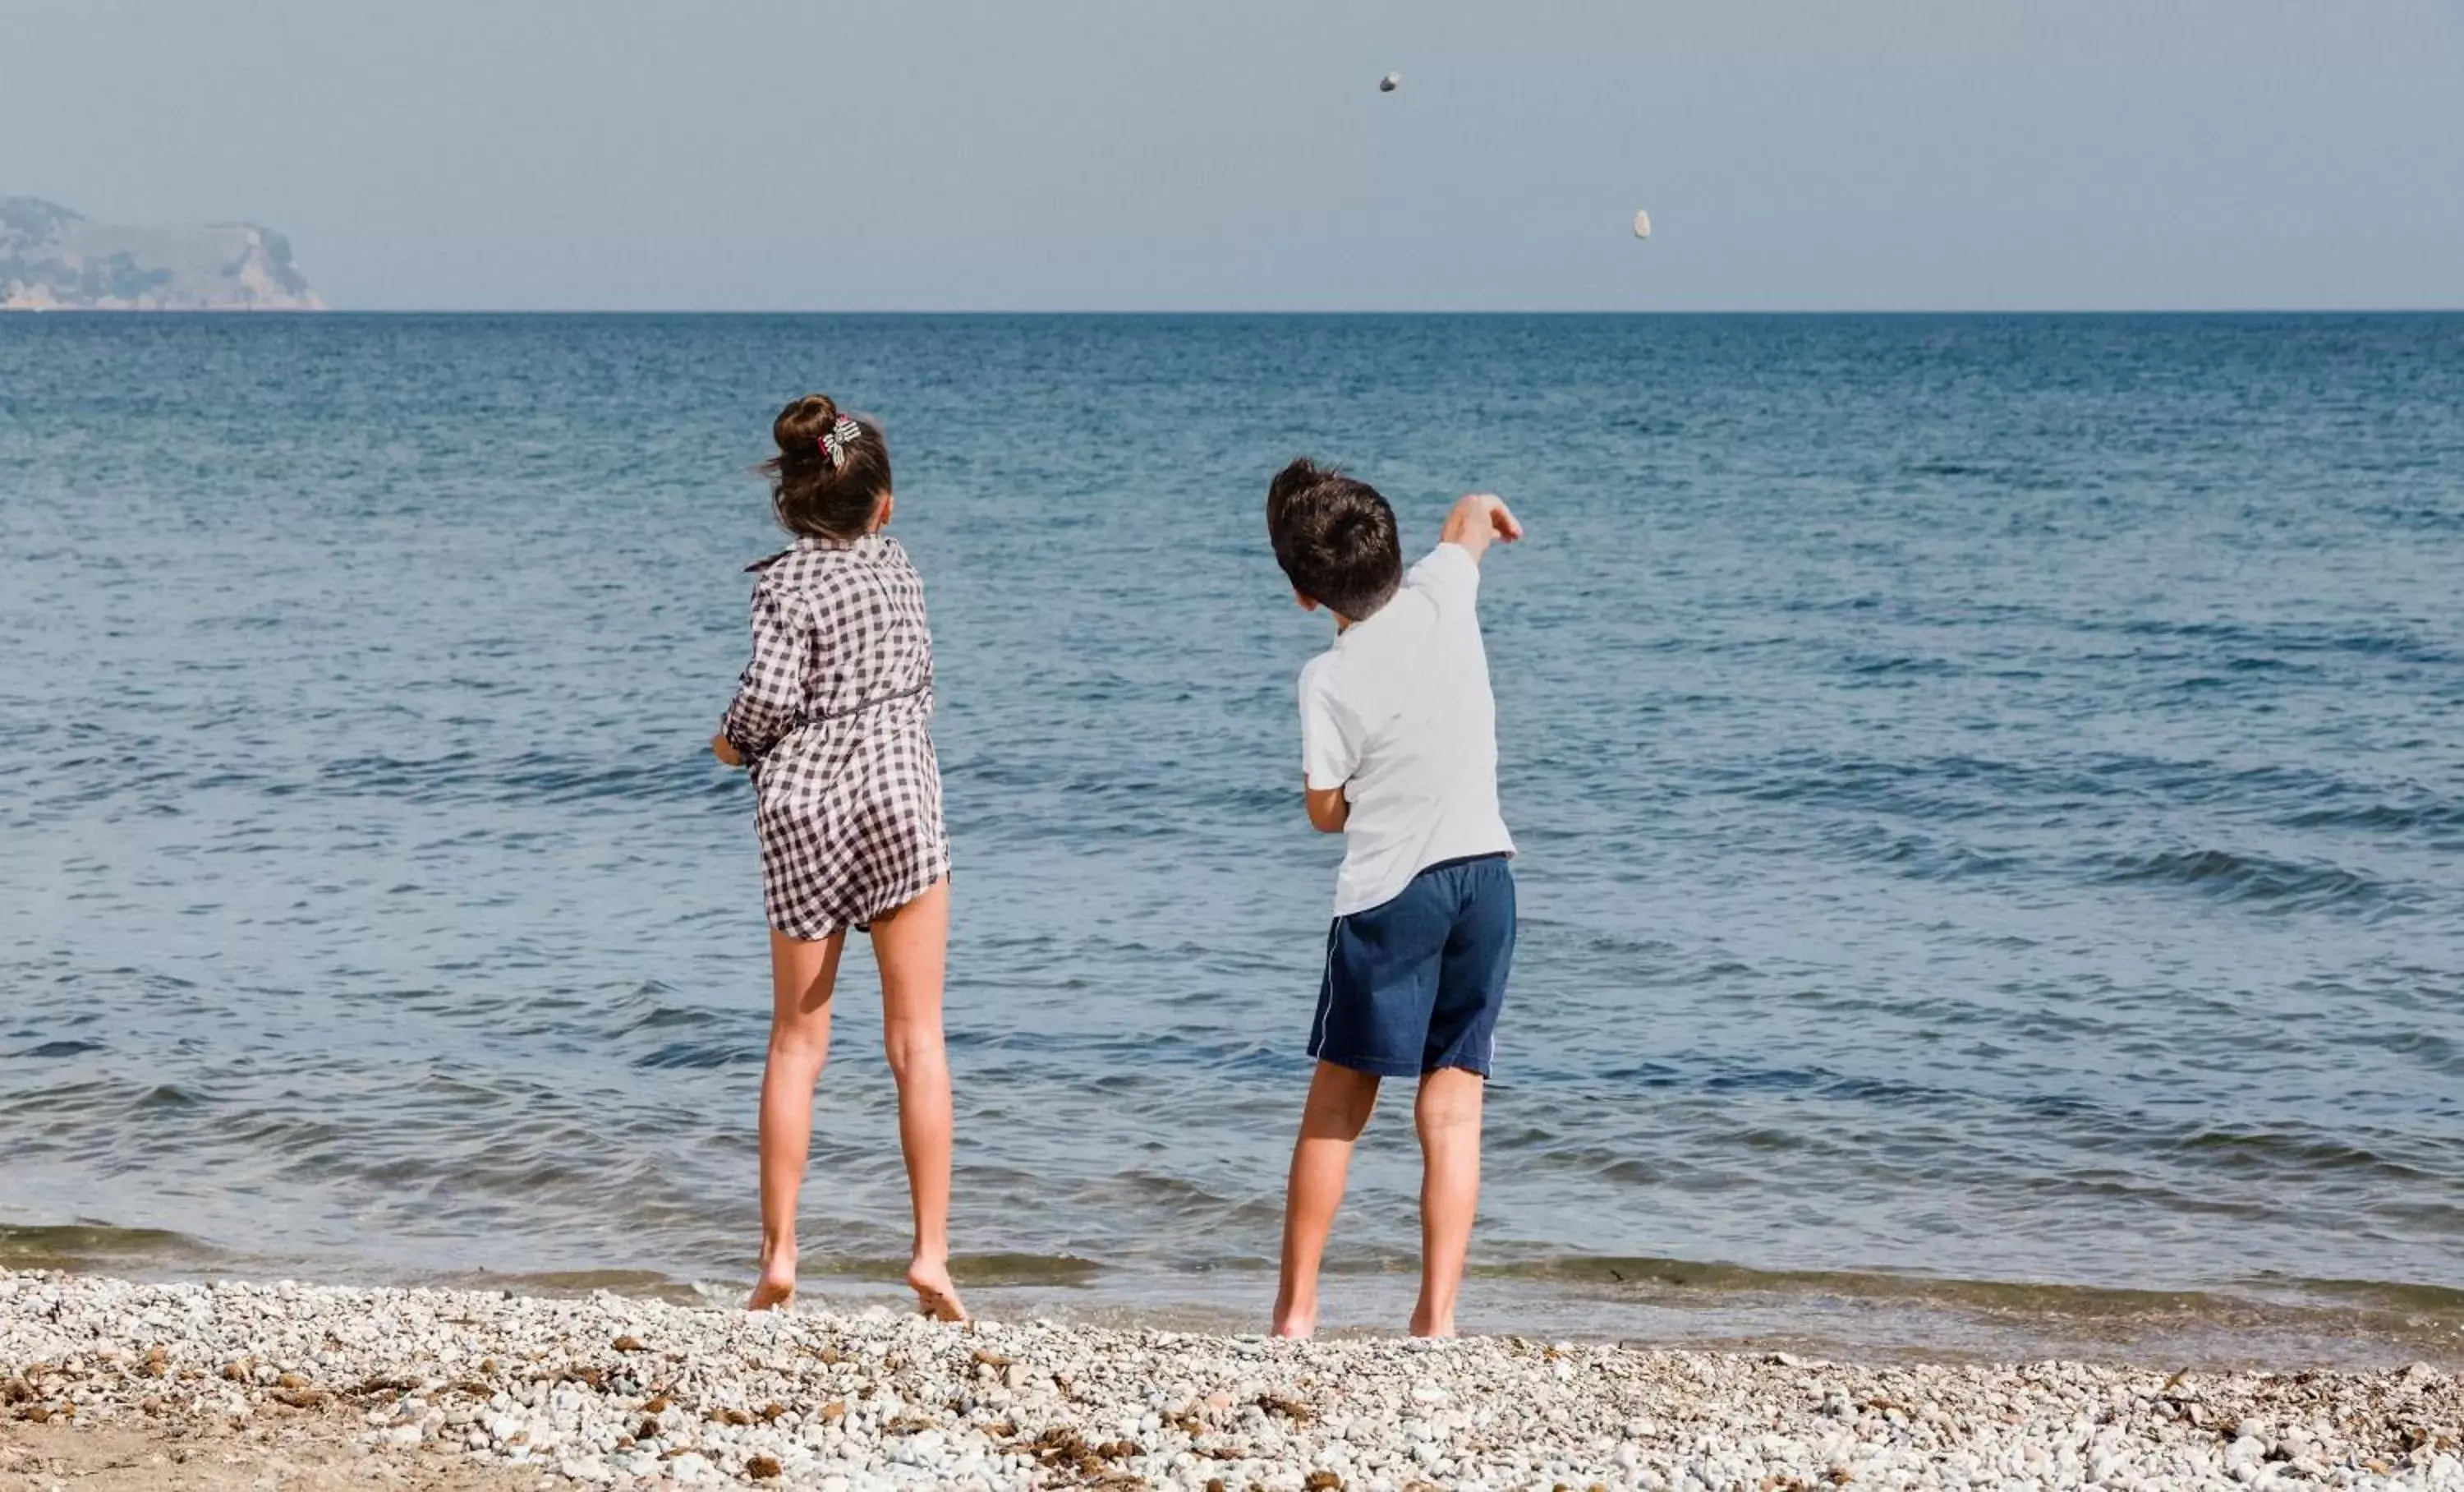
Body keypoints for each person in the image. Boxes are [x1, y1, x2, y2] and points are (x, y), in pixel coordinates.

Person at [710, 394, 963, 1320]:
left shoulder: (782, 583)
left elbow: (768, 697)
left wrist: (730, 743)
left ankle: (780, 1255)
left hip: (806, 809)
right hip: (900, 798)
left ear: (787, 503)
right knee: (917, 1041)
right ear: (884, 505)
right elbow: (922, 678)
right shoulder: (900, 569)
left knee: (797, 1042)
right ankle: (931, 1254)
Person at [1262, 458, 1524, 1339]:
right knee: (1452, 1105)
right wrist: (1491, 511)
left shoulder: (1327, 679)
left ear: (1305, 596)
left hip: (1392, 894)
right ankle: (1436, 1316)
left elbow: (1324, 812)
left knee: (1340, 1101)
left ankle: (1297, 1310)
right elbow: (1470, 520)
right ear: (1396, 550)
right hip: (1487, 878)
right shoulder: (1443, 593)